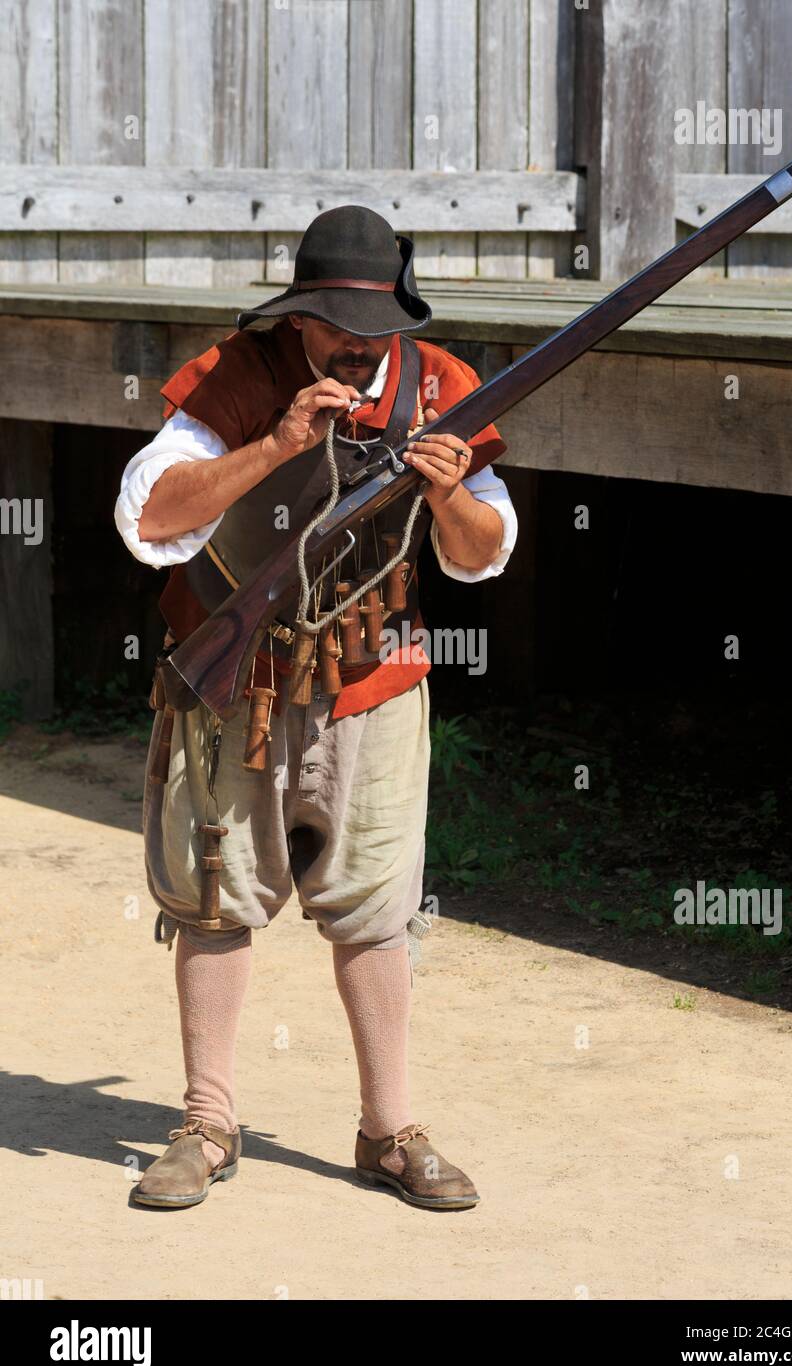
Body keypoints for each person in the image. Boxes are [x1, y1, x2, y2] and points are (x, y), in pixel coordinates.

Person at [114, 205, 517, 1211]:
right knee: (214, 900)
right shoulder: (238, 376)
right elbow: (149, 516)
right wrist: (276, 441)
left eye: (371, 327)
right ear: (299, 316)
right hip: (231, 674)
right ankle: (208, 1120)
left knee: (376, 912)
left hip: (368, 682)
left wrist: (443, 496)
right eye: (335, 323)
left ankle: (387, 1128)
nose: (357, 344)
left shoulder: (439, 387)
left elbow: (481, 553)